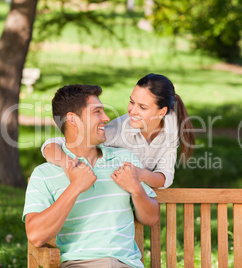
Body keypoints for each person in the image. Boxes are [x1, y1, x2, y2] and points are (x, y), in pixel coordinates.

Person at [23, 84, 159, 268]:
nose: (106, 118)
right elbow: (36, 236)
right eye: (97, 112)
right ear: (73, 119)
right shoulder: (44, 174)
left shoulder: (124, 160)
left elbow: (151, 218)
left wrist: (136, 189)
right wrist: (75, 187)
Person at [42, 73, 195, 189]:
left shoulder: (171, 126)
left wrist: (140, 174)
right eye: (132, 102)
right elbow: (59, 143)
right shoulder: (118, 130)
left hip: (137, 196)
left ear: (161, 113)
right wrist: (65, 162)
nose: (132, 111)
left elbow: (165, 176)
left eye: (142, 107)